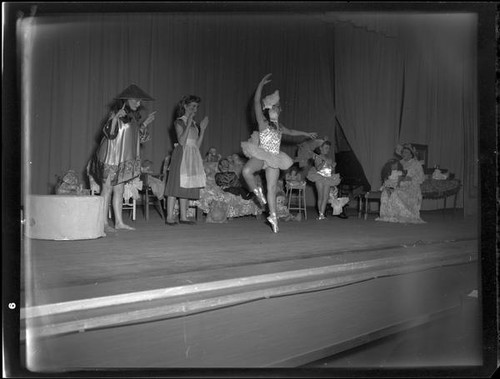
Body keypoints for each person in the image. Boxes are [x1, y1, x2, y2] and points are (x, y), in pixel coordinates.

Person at [241, 73, 318, 233]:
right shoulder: (262, 123)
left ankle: (273, 217)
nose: (278, 109)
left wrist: (306, 133)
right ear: (268, 109)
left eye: (279, 107)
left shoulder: (280, 127)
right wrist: (260, 85)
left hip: (275, 157)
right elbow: (256, 102)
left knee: (272, 187)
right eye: (275, 107)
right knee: (247, 171)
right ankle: (257, 192)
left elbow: (292, 131)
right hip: (262, 154)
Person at [90, 84, 156, 233]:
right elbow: (109, 134)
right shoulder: (116, 113)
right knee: (107, 189)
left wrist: (145, 123)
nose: (138, 104)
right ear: (127, 100)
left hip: (122, 159)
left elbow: (137, 138)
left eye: (139, 101)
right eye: (136, 101)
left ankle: (119, 222)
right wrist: (114, 119)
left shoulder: (133, 118)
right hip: (110, 158)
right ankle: (103, 222)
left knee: (119, 190)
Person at [164, 95, 208, 225]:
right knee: (175, 185)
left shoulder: (194, 124)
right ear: (185, 106)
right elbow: (182, 141)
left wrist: (203, 130)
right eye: (193, 106)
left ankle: (183, 216)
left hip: (192, 155)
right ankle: (169, 217)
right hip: (181, 154)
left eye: (196, 107)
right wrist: (188, 123)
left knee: (186, 184)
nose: (195, 109)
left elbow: (197, 145)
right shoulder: (179, 122)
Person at [376, 143, 426, 224]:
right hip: (398, 184)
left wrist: (410, 178)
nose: (404, 154)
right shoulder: (399, 162)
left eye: (407, 152)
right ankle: (388, 215)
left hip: (411, 187)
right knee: (386, 192)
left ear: (411, 154)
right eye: (403, 152)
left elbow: (421, 178)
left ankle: (402, 215)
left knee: (395, 192)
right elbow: (391, 174)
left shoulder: (416, 164)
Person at [306, 140, 347, 220]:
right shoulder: (318, 157)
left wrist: (333, 166)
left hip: (327, 178)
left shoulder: (329, 158)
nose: (327, 150)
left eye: (328, 148)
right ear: (321, 148)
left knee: (326, 197)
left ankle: (322, 214)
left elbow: (330, 170)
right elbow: (318, 168)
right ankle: (320, 214)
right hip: (319, 177)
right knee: (320, 196)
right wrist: (323, 163)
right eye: (326, 148)